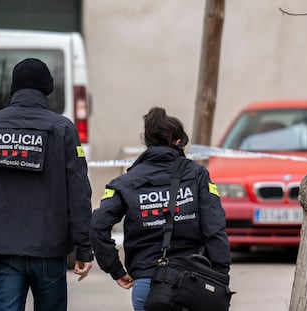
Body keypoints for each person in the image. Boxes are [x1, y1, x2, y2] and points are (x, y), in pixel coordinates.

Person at [0, 58, 93, 311]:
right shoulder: (62, 129)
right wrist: (84, 248)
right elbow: (79, 192)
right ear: (47, 90)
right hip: (50, 247)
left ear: (13, 90)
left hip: (3, 248)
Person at [90, 107, 231, 311]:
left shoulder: (125, 182)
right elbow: (215, 227)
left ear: (148, 142)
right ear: (177, 142)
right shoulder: (198, 176)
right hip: (193, 283)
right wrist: (220, 274)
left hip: (147, 284)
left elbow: (97, 225)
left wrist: (116, 270)